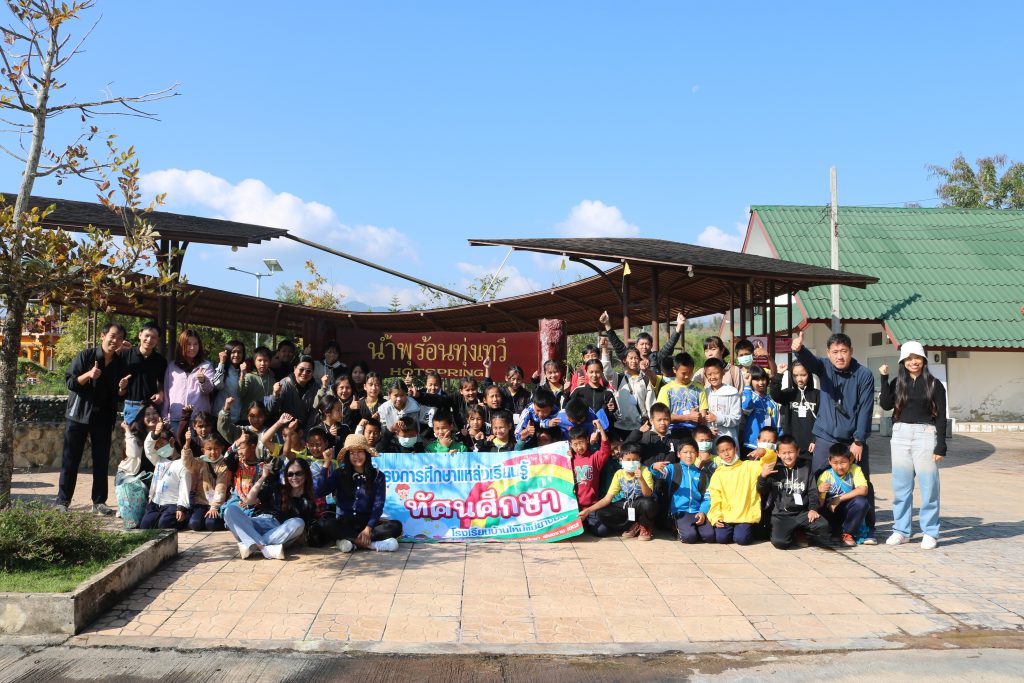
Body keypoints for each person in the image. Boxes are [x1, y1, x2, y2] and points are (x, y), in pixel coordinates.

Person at [792, 329, 877, 541]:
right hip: (825, 437)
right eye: (835, 352)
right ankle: (815, 527)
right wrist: (799, 350)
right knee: (817, 480)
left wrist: (859, 440)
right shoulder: (824, 367)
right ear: (829, 353)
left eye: (844, 351)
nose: (840, 356)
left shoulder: (864, 374)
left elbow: (866, 409)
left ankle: (868, 529)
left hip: (852, 441)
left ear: (851, 351)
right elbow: (811, 363)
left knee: (863, 482)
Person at [879, 341, 947, 550]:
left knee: (929, 486)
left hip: (925, 434)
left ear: (923, 360)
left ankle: (930, 532)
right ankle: (901, 531)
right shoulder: (897, 382)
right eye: (908, 359)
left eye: (917, 358)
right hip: (900, 434)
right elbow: (886, 404)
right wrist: (884, 378)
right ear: (903, 362)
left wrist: (941, 445)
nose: (913, 362)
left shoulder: (935, 384)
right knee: (901, 487)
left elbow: (941, 417)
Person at [57, 322, 128, 515]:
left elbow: (120, 395)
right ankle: (62, 502)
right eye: (112, 336)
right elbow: (70, 382)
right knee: (70, 459)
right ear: (103, 336)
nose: (115, 341)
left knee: (101, 460)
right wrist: (89, 374)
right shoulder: (86, 356)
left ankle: (99, 502)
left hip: (103, 417)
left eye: (120, 338)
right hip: (79, 415)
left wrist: (122, 388)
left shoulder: (120, 363)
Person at [313, 434, 402, 552]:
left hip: (368, 525)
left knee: (396, 526)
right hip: (345, 524)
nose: (356, 456)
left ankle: (350, 542)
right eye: (352, 453)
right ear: (347, 456)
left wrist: (368, 529)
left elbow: (378, 505)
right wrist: (326, 463)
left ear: (366, 453)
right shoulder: (340, 473)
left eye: (360, 452)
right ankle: (371, 545)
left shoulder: (378, 476)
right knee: (326, 523)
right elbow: (319, 491)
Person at [224, 456, 317, 560]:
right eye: (290, 474)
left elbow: (300, 533)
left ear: (306, 475)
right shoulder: (277, 488)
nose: (294, 477)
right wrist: (263, 477)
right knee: (230, 510)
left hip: (279, 532)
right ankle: (263, 548)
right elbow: (249, 501)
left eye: (298, 473)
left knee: (298, 523)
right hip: (258, 523)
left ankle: (251, 544)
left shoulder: (308, 502)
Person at [756, 435, 830, 549]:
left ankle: (802, 532)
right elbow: (762, 490)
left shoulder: (806, 469)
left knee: (823, 526)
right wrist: (763, 476)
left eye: (791, 452)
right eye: (784, 453)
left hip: (802, 513)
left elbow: (812, 491)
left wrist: (813, 509)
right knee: (780, 543)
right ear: (778, 453)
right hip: (781, 515)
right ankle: (793, 533)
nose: (787, 456)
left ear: (798, 452)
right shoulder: (774, 469)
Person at [578, 443, 657, 540]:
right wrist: (588, 511)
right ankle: (632, 525)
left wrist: (641, 479)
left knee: (647, 503)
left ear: (639, 460)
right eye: (628, 460)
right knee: (602, 513)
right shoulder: (619, 474)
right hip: (628, 504)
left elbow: (647, 494)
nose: (631, 462)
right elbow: (607, 499)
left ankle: (645, 526)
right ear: (621, 460)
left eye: (635, 460)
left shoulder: (645, 471)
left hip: (640, 503)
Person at [120, 322, 167, 471]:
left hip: (150, 409)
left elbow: (162, 382)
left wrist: (161, 393)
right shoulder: (125, 355)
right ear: (140, 335)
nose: (149, 340)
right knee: (132, 448)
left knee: (152, 444)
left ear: (157, 340)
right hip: (131, 406)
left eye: (154, 337)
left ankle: (150, 477)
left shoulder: (160, 360)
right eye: (146, 335)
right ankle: (129, 476)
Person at [651, 438, 713, 543]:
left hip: (697, 511)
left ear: (697, 454)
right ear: (678, 454)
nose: (689, 455)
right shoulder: (672, 469)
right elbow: (659, 474)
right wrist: (654, 467)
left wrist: (702, 511)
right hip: (680, 511)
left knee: (709, 536)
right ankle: (676, 527)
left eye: (692, 452)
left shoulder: (702, 474)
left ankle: (690, 529)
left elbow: (706, 497)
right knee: (689, 537)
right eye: (685, 452)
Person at [706, 435, 762, 545]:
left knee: (742, 539)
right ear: (718, 453)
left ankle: (748, 531)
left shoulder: (749, 466)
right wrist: (715, 517)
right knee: (721, 539)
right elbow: (715, 498)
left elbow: (769, 463)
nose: (726, 454)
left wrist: (764, 452)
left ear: (736, 449)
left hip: (745, 515)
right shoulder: (718, 474)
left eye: (729, 449)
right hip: (726, 515)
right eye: (722, 451)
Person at [817, 444, 871, 547]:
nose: (840, 467)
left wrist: (839, 499)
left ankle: (847, 533)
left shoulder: (855, 469)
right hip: (831, 511)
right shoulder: (825, 475)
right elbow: (820, 504)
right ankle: (834, 531)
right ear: (829, 462)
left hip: (848, 509)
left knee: (861, 502)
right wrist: (819, 491)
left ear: (850, 460)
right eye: (835, 463)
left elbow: (863, 490)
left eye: (843, 462)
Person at [140, 421, 190, 530]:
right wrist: (155, 434)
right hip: (156, 503)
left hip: (173, 504)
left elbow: (184, 488)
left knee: (164, 524)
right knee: (145, 525)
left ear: (171, 441)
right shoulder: (158, 460)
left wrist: (181, 508)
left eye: (161, 445)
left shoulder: (183, 464)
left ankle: (184, 518)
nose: (158, 449)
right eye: (157, 447)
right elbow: (148, 448)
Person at [162, 329, 215, 431]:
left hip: (199, 420)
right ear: (181, 346)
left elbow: (209, 390)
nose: (192, 347)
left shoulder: (206, 366)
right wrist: (165, 417)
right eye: (188, 344)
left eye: (195, 344)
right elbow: (166, 393)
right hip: (176, 418)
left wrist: (203, 380)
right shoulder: (172, 366)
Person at [600, 310, 686, 372]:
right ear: (636, 345)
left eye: (647, 344)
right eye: (642, 344)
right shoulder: (630, 357)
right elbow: (617, 344)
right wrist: (607, 324)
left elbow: (669, 345)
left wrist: (679, 325)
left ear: (651, 345)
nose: (644, 347)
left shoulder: (656, 357)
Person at [569, 421, 613, 536]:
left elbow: (606, 449)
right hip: (574, 507)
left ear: (587, 440)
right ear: (570, 445)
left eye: (581, 443)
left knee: (602, 531)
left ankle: (587, 523)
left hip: (592, 507)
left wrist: (600, 429)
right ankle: (582, 524)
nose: (579, 447)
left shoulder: (594, 458)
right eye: (575, 444)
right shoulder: (568, 460)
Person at [770, 361, 819, 464]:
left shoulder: (818, 395)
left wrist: (815, 440)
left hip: (812, 448)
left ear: (809, 374)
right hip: (791, 449)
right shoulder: (789, 394)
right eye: (795, 375)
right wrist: (779, 374)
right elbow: (775, 395)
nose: (799, 379)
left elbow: (823, 420)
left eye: (803, 375)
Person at [181, 433, 229, 532]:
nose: (213, 452)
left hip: (218, 503)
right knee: (195, 524)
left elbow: (221, 486)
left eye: (216, 448)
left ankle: (224, 521)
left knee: (211, 524)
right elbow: (187, 462)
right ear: (203, 450)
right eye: (209, 449)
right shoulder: (200, 461)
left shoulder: (224, 464)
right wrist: (187, 443)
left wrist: (214, 507)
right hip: (201, 502)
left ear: (222, 448)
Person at [656, 352, 706, 438]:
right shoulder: (665, 390)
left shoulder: (699, 388)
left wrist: (700, 418)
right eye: (683, 373)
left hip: (694, 434)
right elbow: (663, 416)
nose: (687, 376)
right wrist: (688, 417)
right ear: (674, 370)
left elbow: (703, 416)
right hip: (672, 433)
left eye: (690, 373)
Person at [267, 355, 318, 429]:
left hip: (304, 430)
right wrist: (275, 394)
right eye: (301, 369)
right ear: (295, 369)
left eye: (308, 371)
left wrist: (307, 432)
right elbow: (271, 410)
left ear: (313, 372)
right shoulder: (284, 384)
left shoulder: (315, 388)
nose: (304, 373)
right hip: (284, 429)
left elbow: (314, 413)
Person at [740, 366, 780, 458]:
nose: (761, 383)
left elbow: (777, 423)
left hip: (770, 446)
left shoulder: (771, 400)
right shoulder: (749, 396)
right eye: (757, 380)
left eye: (763, 379)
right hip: (752, 445)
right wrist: (747, 385)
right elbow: (746, 407)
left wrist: (778, 441)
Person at [701, 358, 741, 445]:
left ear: (723, 373)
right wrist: (708, 430)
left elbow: (737, 418)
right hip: (709, 439)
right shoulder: (704, 393)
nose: (713, 377)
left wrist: (718, 419)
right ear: (705, 375)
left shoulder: (732, 392)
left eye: (716, 373)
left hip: (728, 437)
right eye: (709, 374)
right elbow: (702, 418)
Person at [212, 340, 246, 422]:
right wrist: (221, 363)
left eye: (239, 352)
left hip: (237, 418)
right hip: (219, 416)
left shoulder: (245, 370)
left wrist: (243, 374)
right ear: (227, 353)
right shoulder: (222, 368)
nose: (236, 355)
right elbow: (217, 385)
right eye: (233, 352)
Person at [238, 346, 275, 415]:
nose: (262, 363)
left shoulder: (272, 379)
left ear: (270, 362)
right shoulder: (249, 377)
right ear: (254, 362)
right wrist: (242, 375)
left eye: (266, 360)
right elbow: (241, 393)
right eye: (259, 360)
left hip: (264, 417)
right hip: (248, 417)